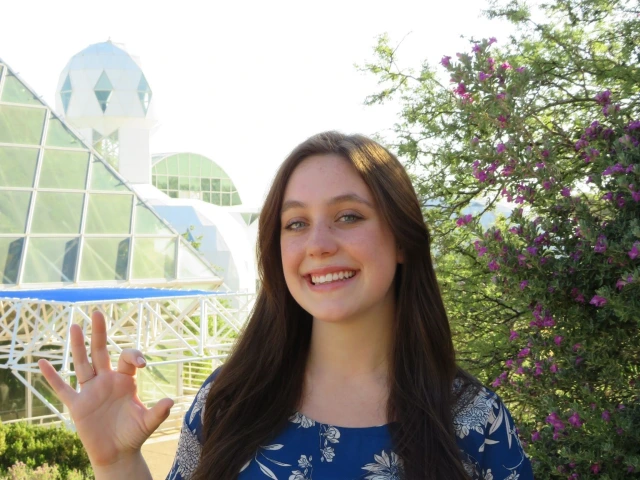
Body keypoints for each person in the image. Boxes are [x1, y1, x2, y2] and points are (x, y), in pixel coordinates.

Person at [39, 132, 534, 480]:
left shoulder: (474, 422)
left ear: (402, 240)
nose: (318, 243)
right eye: (295, 223)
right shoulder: (227, 402)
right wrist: (115, 464)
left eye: (347, 215)